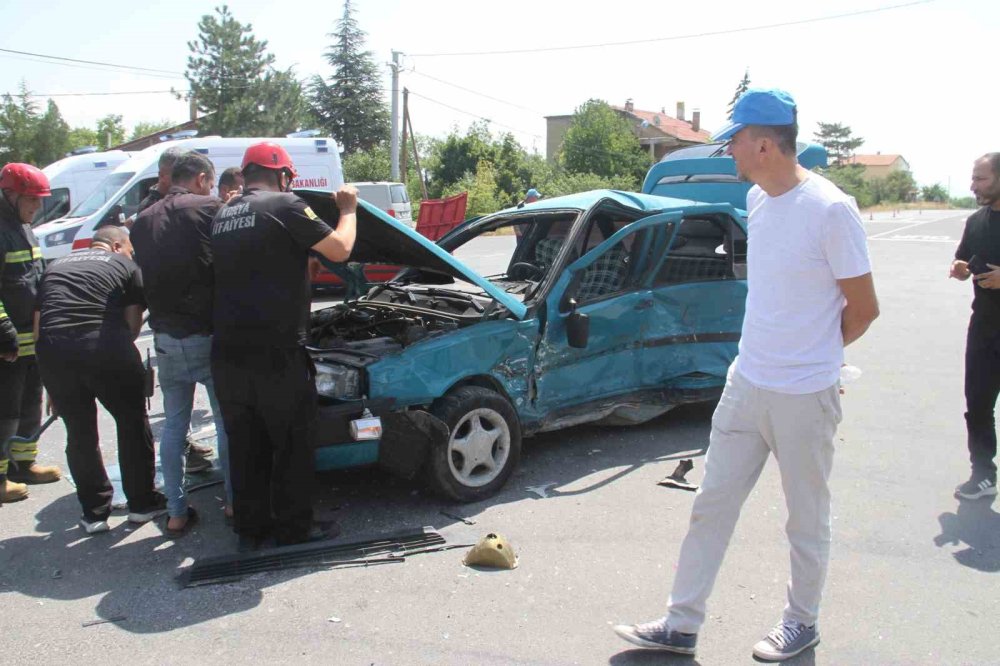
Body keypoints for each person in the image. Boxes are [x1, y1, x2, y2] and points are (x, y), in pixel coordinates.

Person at [613, 88, 880, 661]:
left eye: (733, 140)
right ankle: (681, 624)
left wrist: (814, 357)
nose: (728, 150)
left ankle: (801, 622)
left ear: (764, 144)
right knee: (711, 504)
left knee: (805, 518)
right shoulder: (758, 199)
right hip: (746, 383)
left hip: (804, 393)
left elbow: (863, 309)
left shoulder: (831, 210)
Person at [210, 142, 358, 550]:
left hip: (228, 353)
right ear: (283, 175)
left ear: (245, 175)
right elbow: (341, 249)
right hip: (275, 352)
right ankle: (294, 528)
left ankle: (251, 529)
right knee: (292, 442)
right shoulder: (286, 204)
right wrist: (347, 210)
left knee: (246, 445)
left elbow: (255, 264)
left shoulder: (224, 213)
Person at [35, 226, 165, 533]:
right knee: (131, 422)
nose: (131, 254)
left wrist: (53, 385)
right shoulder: (124, 265)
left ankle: (94, 514)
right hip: (104, 346)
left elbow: (39, 328)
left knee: (79, 433)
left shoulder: (55, 268)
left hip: (54, 352)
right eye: (130, 249)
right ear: (117, 246)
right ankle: (142, 505)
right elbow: (132, 326)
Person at [131, 151, 231, 537]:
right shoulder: (210, 208)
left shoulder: (143, 219)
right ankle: (234, 502)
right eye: (211, 183)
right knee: (225, 422)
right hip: (207, 334)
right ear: (202, 179)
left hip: (166, 338)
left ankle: (175, 512)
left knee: (174, 427)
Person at [0, 163, 62, 504]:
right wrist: (3, 330)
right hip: (7, 344)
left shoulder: (23, 228)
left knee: (29, 405)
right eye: (32, 200)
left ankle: (23, 465)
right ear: (10, 195)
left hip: (30, 339)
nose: (38, 207)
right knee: (4, 412)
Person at [949, 153, 1000, 500]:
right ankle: (983, 473)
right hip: (984, 329)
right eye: (973, 178)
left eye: (981, 179)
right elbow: (963, 259)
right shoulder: (976, 221)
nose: (973, 186)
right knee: (978, 405)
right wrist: (960, 268)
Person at [136, 147, 184, 216]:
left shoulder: (184, 199)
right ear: (162, 175)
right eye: (178, 176)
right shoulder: (149, 208)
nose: (185, 180)